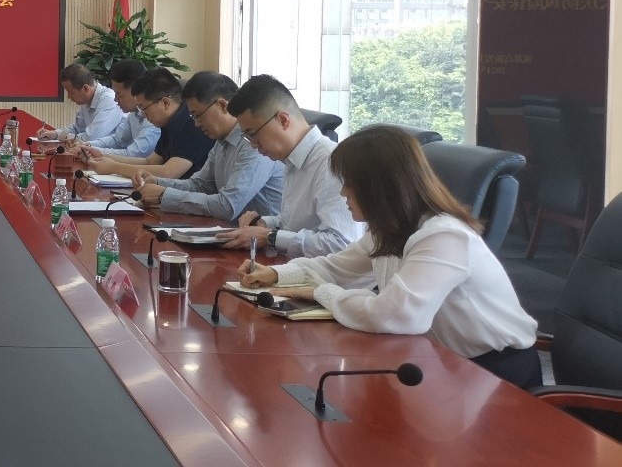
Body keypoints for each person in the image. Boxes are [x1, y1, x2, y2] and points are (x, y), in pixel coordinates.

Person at [238, 125, 541, 389]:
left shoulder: (443, 236)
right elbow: (338, 267)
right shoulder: (390, 229)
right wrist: (276, 274)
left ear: (378, 187)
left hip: (496, 373)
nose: (342, 193)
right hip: (439, 359)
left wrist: (321, 292)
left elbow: (394, 314)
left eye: (348, 182)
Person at [215, 75, 359, 257]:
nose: (253, 145)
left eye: (253, 134)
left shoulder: (331, 164)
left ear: (283, 120)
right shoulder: (291, 160)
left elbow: (341, 244)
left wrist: (270, 237)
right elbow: (297, 224)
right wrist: (264, 223)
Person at [134, 71, 283, 222]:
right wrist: (157, 182)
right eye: (192, 116)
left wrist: (163, 195)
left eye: (198, 115)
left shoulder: (253, 144)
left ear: (222, 105)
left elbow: (227, 206)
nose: (196, 123)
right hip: (229, 229)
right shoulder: (221, 141)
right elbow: (199, 185)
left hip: (258, 234)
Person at [85, 67, 214, 180]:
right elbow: (150, 161)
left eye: (143, 108)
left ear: (165, 103)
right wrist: (103, 156)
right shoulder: (169, 122)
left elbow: (168, 172)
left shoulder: (193, 122)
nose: (142, 115)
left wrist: (114, 167)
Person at [70, 59, 160, 158]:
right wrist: (88, 145)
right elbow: (117, 140)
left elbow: (133, 155)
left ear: (135, 90)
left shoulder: (153, 118)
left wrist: (94, 151)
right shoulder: (134, 114)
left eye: (119, 95)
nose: (115, 99)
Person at [37, 63, 123, 142]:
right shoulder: (86, 101)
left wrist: (64, 136)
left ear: (85, 88)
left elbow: (91, 137)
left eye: (71, 92)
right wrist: (55, 134)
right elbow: (77, 129)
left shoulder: (108, 100)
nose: (69, 96)